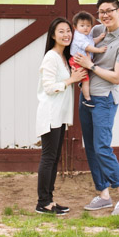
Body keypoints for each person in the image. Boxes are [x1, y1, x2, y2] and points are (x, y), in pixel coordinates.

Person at [74, 0, 119, 216]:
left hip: (104, 100)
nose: (105, 15)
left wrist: (90, 65)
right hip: (86, 98)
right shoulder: (96, 31)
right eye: (101, 11)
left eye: (110, 10)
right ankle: (103, 195)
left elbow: (117, 78)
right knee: (90, 147)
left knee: (102, 147)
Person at [36, 17, 86, 215]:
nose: (66, 35)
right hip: (49, 115)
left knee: (54, 158)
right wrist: (70, 80)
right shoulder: (50, 57)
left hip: (58, 116)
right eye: (61, 31)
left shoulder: (63, 57)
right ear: (52, 35)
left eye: (68, 31)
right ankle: (43, 203)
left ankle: (49, 200)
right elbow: (48, 87)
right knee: (48, 158)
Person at [69, 10, 107, 108]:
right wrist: (99, 50)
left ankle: (82, 85)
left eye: (88, 25)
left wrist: (99, 38)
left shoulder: (86, 35)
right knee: (86, 80)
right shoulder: (78, 37)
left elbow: (91, 42)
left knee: (86, 79)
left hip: (83, 61)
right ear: (75, 27)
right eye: (82, 25)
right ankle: (87, 99)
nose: (85, 28)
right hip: (78, 61)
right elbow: (88, 47)